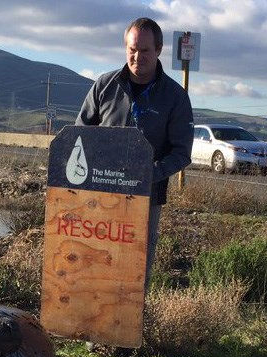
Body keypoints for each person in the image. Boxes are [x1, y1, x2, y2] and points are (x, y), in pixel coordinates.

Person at [76, 17, 193, 282]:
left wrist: (146, 174)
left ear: (159, 49)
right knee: (94, 262)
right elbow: (80, 135)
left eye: (145, 50)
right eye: (132, 49)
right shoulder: (104, 86)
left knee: (135, 271)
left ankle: (133, 322)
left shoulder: (175, 97)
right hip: (100, 195)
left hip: (146, 199)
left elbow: (181, 152)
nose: (137, 56)